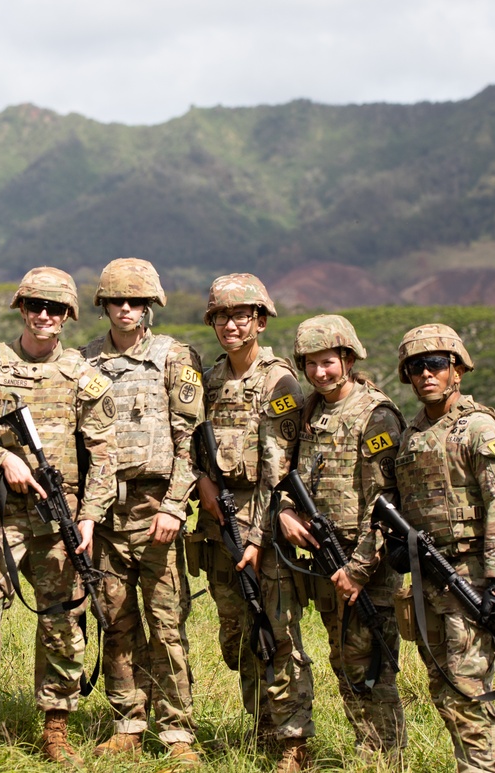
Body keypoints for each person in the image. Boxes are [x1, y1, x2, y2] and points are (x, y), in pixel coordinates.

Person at [0, 267, 117, 765]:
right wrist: (3, 459)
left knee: (64, 624)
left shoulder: (83, 376)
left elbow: (104, 456)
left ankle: (55, 730)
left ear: (67, 317)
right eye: (35, 306)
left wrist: (90, 518)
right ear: (21, 309)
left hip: (61, 522)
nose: (43, 316)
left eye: (54, 309)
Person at [80, 258, 202, 765]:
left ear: (150, 306)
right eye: (117, 302)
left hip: (157, 510)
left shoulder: (175, 357)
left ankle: (177, 735)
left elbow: (191, 440)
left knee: (167, 624)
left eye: (135, 302)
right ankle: (128, 721)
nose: (126, 310)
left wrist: (174, 507)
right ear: (104, 305)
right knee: (116, 620)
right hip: (107, 514)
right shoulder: (84, 361)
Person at [193, 274, 314, 773]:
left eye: (242, 315)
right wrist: (202, 485)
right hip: (220, 520)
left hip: (262, 525)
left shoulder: (278, 381)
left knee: (277, 632)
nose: (231, 324)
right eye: (222, 315)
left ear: (260, 321)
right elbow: (197, 445)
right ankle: (262, 728)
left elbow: (277, 468)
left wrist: (258, 539)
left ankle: (293, 742)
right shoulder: (213, 378)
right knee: (238, 633)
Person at [277, 314, 406, 767]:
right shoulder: (311, 408)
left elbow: (387, 502)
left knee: (370, 663)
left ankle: (383, 757)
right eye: (310, 364)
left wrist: (358, 569)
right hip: (325, 558)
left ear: (348, 359)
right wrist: (285, 512)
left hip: (364, 563)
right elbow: (288, 476)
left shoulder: (376, 414)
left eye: (328, 363)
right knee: (343, 658)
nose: (319, 372)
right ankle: (370, 748)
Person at [393, 324, 495, 773]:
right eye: (415, 367)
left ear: (457, 370)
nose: (426, 374)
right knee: (442, 685)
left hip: (470, 578)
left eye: (436, 364)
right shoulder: (410, 435)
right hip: (426, 578)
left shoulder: (479, 428)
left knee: (469, 687)